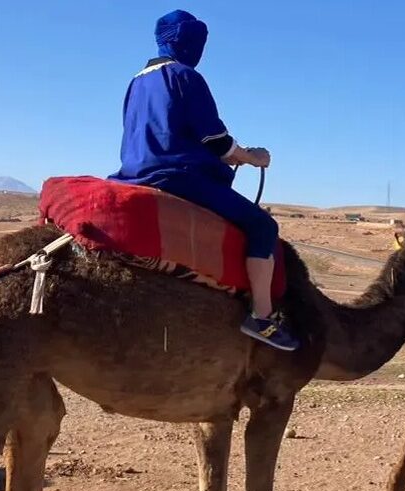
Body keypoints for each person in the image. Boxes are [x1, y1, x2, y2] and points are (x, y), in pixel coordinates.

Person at [110, 9, 299, 351]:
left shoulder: (136, 82)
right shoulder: (184, 76)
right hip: (177, 177)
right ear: (187, 42)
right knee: (263, 228)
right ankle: (262, 317)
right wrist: (250, 156)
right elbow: (216, 141)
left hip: (134, 175)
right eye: (197, 42)